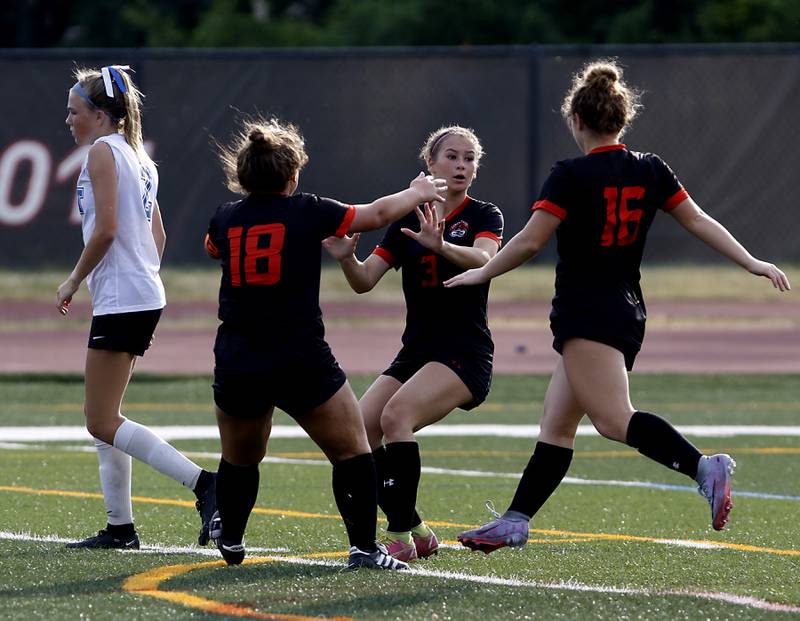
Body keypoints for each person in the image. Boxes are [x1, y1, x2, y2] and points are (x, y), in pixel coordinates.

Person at [445, 60, 791, 553]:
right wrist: (751, 260)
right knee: (558, 424)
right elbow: (698, 221)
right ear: (621, 120)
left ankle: (703, 467)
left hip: (588, 311)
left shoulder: (569, 174)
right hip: (625, 308)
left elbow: (528, 243)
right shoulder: (650, 168)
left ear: (576, 121)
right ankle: (516, 519)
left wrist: (483, 271)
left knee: (611, 419)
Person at [203, 117, 448, 569]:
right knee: (352, 450)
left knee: (241, 457)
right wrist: (416, 192)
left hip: (237, 355)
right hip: (298, 354)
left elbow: (213, 248)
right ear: (293, 176)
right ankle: (363, 549)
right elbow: (374, 214)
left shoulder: (224, 217)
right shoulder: (307, 210)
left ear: (242, 177)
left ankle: (231, 537)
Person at [322, 126, 503, 562]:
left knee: (396, 415)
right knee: (357, 431)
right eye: (453, 157)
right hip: (418, 350)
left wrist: (441, 246)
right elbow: (365, 281)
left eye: (469, 159)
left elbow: (485, 259)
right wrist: (347, 257)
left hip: (464, 352)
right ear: (430, 164)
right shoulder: (408, 216)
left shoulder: (484, 215)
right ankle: (419, 529)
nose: (462, 166)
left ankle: (399, 537)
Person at [58, 66, 217, 550]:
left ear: (101, 115)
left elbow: (106, 231)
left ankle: (206, 485)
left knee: (100, 420)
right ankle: (120, 528)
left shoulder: (104, 153)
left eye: (75, 111)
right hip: (137, 295)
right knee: (108, 418)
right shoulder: (136, 155)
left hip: (124, 299)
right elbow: (159, 236)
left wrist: (72, 280)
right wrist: (139, 275)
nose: (69, 120)